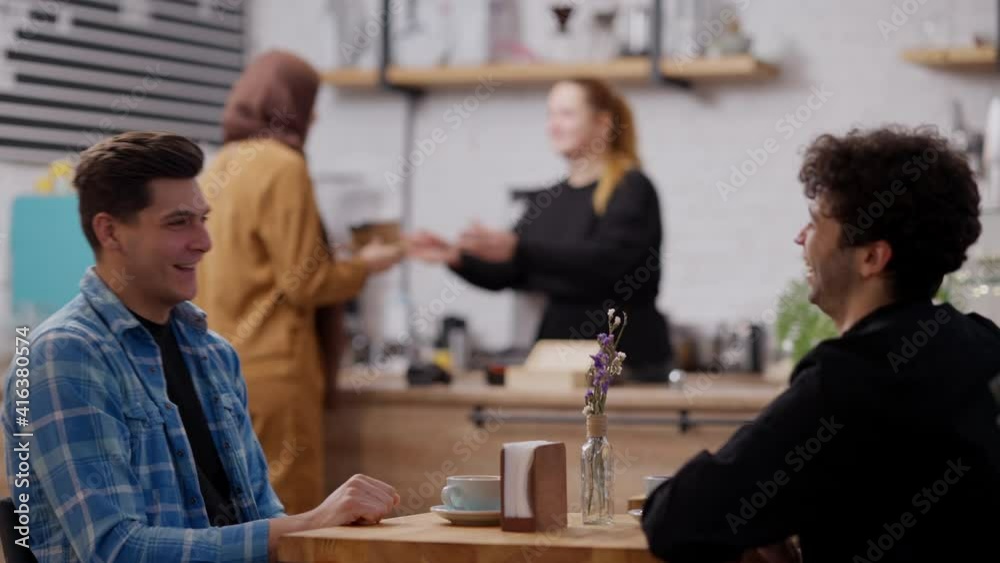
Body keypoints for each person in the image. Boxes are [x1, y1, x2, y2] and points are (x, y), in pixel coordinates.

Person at [1, 131, 399, 562]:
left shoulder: (214, 355)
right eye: (178, 222)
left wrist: (325, 528)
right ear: (111, 232)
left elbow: (261, 514)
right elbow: (115, 550)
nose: (204, 242)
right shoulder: (62, 358)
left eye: (202, 219)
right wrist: (306, 524)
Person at [641, 126, 1000, 563]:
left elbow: (677, 520)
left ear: (871, 257)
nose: (800, 238)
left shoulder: (848, 378)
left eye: (815, 222)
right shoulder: (984, 345)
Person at [193, 50, 403, 514]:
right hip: (276, 370)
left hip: (219, 366)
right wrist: (365, 264)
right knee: (293, 513)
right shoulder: (283, 165)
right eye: (310, 105)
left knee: (238, 517)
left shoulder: (218, 166)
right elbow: (305, 283)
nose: (316, 116)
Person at [408, 78, 672, 381]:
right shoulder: (550, 200)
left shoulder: (632, 188)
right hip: (556, 362)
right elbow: (509, 271)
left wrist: (520, 250)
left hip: (628, 363)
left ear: (601, 124)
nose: (553, 125)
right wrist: (455, 257)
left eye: (566, 114)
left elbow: (608, 263)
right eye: (550, 114)